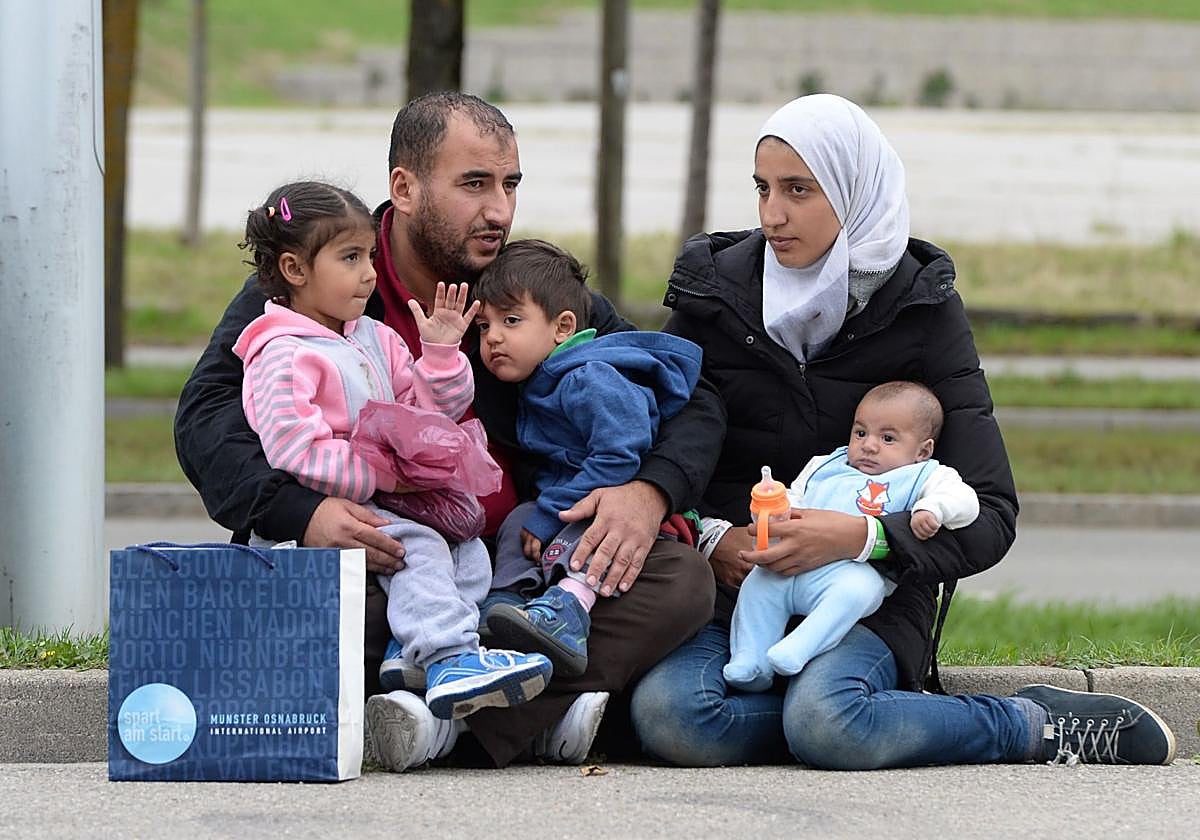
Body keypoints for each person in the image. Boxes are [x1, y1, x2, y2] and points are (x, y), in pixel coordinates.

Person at [174, 92, 719, 772]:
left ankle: (441, 723)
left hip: (520, 570)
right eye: (474, 184)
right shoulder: (320, 276)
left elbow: (690, 396)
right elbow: (206, 416)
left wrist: (650, 492)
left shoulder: (525, 286)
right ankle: (523, 713)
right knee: (316, 613)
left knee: (679, 582)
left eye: (510, 184)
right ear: (404, 187)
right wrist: (303, 512)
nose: (499, 210)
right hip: (383, 557)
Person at [630, 93, 1176, 769]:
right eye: (763, 188)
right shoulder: (716, 294)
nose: (772, 214)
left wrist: (865, 538)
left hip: (876, 598)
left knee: (826, 723)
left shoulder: (923, 308)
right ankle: (843, 714)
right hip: (743, 593)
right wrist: (712, 539)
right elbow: (656, 451)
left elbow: (991, 511)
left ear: (854, 192)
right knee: (670, 715)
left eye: (799, 190)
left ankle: (1030, 725)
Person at [232, 179, 551, 722]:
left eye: (370, 257)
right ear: (295, 269)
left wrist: (444, 356)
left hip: (395, 498)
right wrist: (381, 478)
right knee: (422, 549)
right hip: (348, 509)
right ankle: (450, 658)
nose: (369, 274)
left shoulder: (374, 338)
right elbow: (293, 449)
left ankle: (414, 655)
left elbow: (424, 414)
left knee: (467, 548)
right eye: (350, 258)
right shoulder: (281, 354)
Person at [468, 239, 702, 679]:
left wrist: (553, 509)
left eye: (511, 321)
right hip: (570, 494)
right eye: (483, 326)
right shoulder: (542, 377)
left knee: (583, 538)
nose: (493, 337)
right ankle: (506, 603)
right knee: (520, 520)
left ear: (563, 327)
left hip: (609, 499)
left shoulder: (588, 377)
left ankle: (570, 606)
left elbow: (620, 454)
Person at [724, 380, 978, 692]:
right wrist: (774, 507)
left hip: (852, 572)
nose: (869, 445)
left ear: (922, 450)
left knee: (859, 590)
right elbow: (798, 498)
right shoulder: (827, 465)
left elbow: (967, 502)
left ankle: (798, 648)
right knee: (758, 586)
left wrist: (933, 509)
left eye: (887, 438)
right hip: (793, 566)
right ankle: (751, 660)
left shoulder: (924, 475)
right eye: (861, 432)